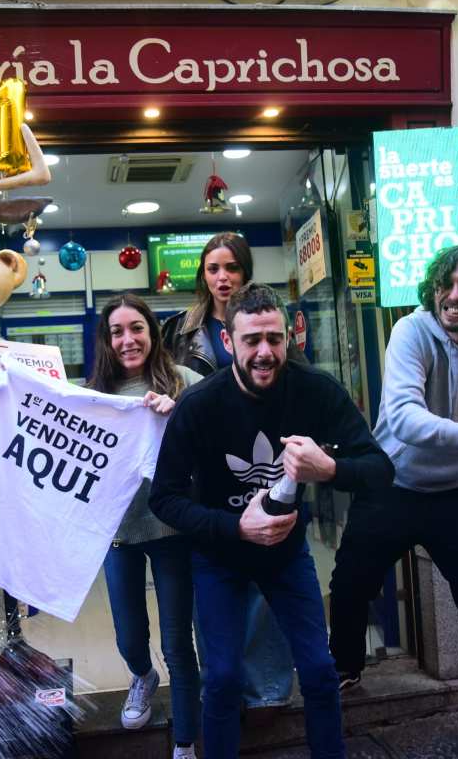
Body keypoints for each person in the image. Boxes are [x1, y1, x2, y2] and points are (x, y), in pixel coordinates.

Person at [150, 283, 394, 759]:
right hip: (220, 556)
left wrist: (331, 469)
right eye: (251, 340)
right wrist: (236, 527)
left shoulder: (315, 390)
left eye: (275, 339)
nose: (265, 353)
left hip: (285, 554)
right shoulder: (200, 405)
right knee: (220, 679)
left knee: (321, 672)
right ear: (228, 342)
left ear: (289, 338)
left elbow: (380, 469)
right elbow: (166, 498)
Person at [327, 243, 458, 759]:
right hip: (391, 482)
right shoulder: (411, 332)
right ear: (433, 291)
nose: (455, 295)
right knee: (350, 582)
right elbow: (401, 415)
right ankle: (346, 667)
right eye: (446, 285)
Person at [161, 231, 297, 709]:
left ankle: (268, 688)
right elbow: (167, 391)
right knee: (215, 590)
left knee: (266, 585)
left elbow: (289, 383)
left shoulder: (269, 319)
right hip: (205, 475)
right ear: (203, 274)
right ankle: (223, 688)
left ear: (245, 272)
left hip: (263, 464)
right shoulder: (179, 329)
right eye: (213, 268)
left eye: (231, 268)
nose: (222, 277)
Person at [88, 293, 203, 759]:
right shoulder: (93, 395)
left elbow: (216, 441)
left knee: (178, 641)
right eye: (117, 331)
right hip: (119, 533)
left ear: (153, 333)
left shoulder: (185, 383)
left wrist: (179, 416)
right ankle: (141, 676)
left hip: (173, 530)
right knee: (129, 636)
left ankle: (184, 743)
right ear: (106, 340)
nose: (128, 339)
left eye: (137, 328)